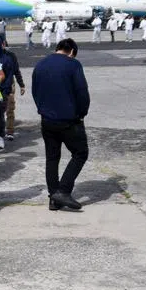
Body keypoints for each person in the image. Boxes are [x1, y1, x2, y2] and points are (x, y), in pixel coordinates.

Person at [31, 38, 89, 212]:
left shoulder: (40, 64)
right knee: (80, 153)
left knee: (52, 158)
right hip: (69, 119)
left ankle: (53, 198)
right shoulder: (73, 65)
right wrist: (81, 114)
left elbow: (35, 91)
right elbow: (82, 93)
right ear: (71, 51)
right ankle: (63, 191)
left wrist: (43, 109)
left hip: (47, 119)